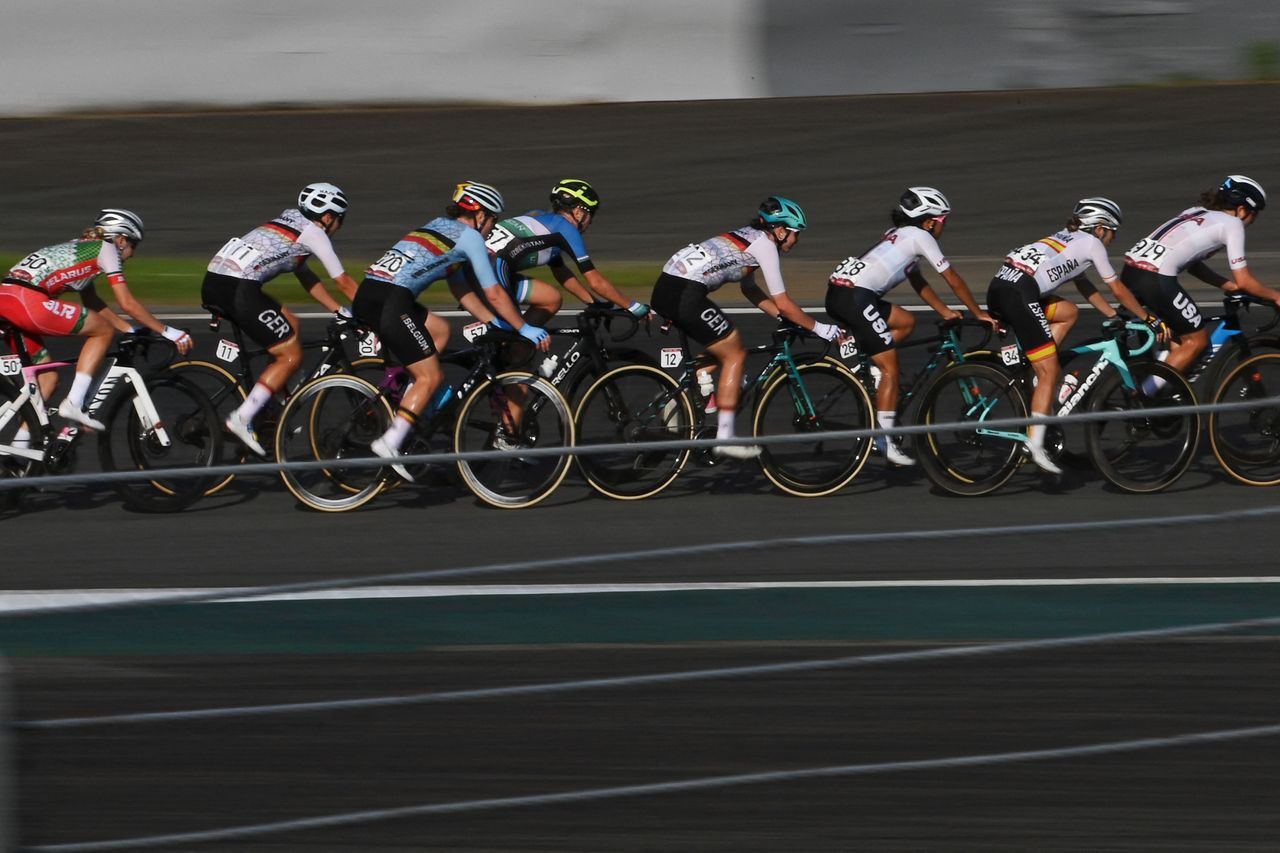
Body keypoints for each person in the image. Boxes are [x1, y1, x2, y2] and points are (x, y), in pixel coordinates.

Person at [355, 181, 549, 476]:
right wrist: (524, 328)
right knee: (431, 376)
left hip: (370, 293)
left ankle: (411, 404)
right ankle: (391, 442)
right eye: (493, 219)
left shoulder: (437, 226)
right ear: (480, 214)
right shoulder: (470, 237)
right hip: (394, 300)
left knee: (441, 331)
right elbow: (494, 292)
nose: (492, 228)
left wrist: (493, 323)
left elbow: (462, 291)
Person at [650, 196, 841, 460]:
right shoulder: (765, 246)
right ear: (781, 230)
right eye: (796, 234)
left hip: (669, 286)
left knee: (723, 346)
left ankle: (680, 391)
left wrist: (782, 317)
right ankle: (725, 438)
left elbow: (749, 288)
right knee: (735, 353)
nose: (797, 240)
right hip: (686, 291)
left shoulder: (749, 236)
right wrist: (820, 328)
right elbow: (784, 302)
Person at [824, 187, 995, 466]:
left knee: (906, 322)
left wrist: (945, 311)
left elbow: (918, 281)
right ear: (929, 222)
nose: (943, 226)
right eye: (942, 221)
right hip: (856, 297)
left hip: (845, 293)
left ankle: (867, 361)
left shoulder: (900, 233)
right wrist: (979, 313)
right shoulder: (921, 236)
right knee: (892, 367)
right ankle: (884, 439)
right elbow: (952, 278)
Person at [985, 197, 1149, 474]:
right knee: (1050, 371)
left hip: (1000, 287)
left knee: (1069, 312)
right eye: (1112, 232)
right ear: (1100, 228)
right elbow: (1117, 288)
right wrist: (1147, 318)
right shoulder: (1093, 244)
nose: (1111, 239)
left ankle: (1035, 362)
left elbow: (1085, 286)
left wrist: (1112, 316)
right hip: (1019, 294)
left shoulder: (1068, 238)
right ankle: (1035, 442)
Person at [0, 209, 192, 432]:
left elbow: (92, 302)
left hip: (8, 300)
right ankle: (74, 404)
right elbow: (126, 303)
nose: (132, 254)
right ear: (120, 239)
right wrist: (169, 332)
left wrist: (131, 329)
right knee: (103, 331)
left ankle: (20, 458)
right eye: (133, 246)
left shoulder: (81, 248)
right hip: (29, 302)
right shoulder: (107, 249)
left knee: (47, 381)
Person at [203, 182, 360, 455]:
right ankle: (241, 418)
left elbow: (306, 276)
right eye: (339, 219)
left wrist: (337, 309)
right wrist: (373, 311)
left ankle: (268, 406)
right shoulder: (315, 233)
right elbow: (344, 281)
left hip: (217, 282)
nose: (338, 226)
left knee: (292, 324)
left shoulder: (291, 219)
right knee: (290, 356)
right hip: (239, 289)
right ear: (327, 217)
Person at [1121, 175, 1280, 378]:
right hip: (1156, 279)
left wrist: (1229, 286)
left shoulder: (1194, 212)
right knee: (1197, 340)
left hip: (1130, 272)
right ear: (1242, 209)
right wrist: (1275, 296)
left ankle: (1161, 389)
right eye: (1254, 215)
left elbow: (1194, 266)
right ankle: (1149, 397)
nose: (1252, 221)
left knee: (1180, 342)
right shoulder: (1233, 224)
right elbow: (1245, 280)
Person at [451, 178, 650, 334]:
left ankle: (512, 349)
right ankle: (512, 353)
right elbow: (595, 281)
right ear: (580, 212)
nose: (590, 222)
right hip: (492, 274)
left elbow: (561, 271)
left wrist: (593, 303)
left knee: (551, 298)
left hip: (478, 270)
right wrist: (634, 306)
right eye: (591, 215)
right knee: (520, 347)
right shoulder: (566, 230)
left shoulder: (538, 217)